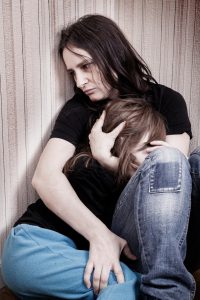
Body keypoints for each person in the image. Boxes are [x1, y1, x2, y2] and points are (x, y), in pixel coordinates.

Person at [1, 14, 195, 299]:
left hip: (133, 231)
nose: (79, 82)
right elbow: (45, 177)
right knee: (132, 286)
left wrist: (107, 159)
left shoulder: (168, 101)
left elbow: (169, 182)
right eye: (72, 73)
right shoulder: (78, 109)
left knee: (187, 163)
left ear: (111, 52)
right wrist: (100, 235)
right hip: (48, 240)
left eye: (85, 66)